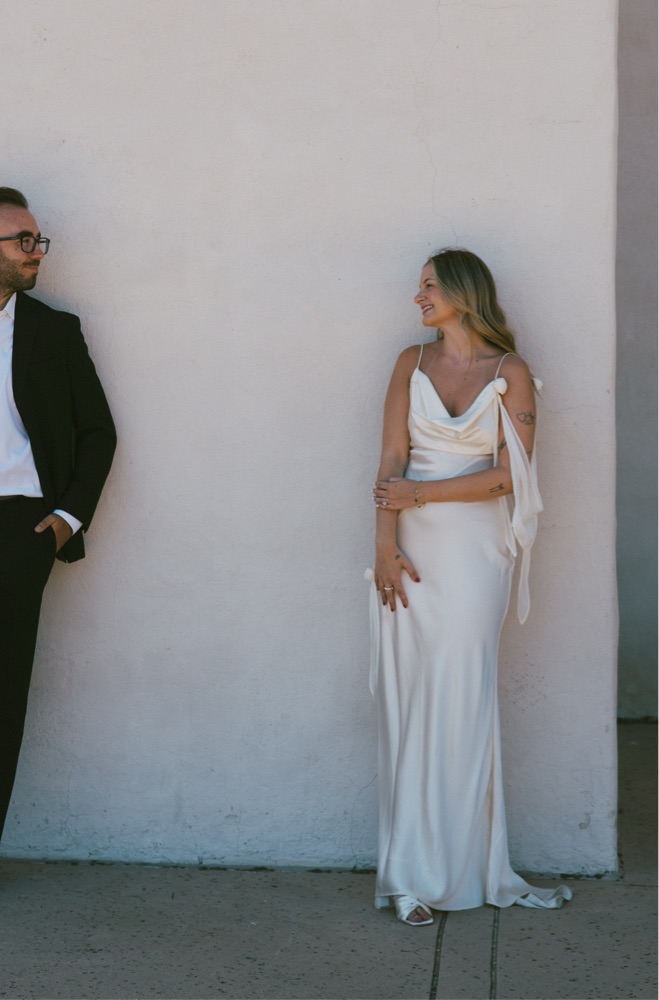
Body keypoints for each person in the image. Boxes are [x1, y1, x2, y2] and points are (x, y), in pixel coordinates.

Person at [368, 248, 571, 925]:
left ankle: (457, 869)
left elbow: (512, 476)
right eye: (419, 285)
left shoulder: (510, 373)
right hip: (411, 553)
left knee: (459, 695)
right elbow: (391, 457)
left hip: (476, 553)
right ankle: (408, 874)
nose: (418, 296)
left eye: (429, 285)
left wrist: (421, 495)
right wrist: (383, 547)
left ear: (463, 290)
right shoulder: (410, 362)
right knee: (410, 700)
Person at [0, 187, 116, 840]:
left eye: (36, 240)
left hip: (20, 532)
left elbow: (98, 431)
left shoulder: (53, 331)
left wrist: (68, 517)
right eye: (23, 241)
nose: (36, 251)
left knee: (3, 693)